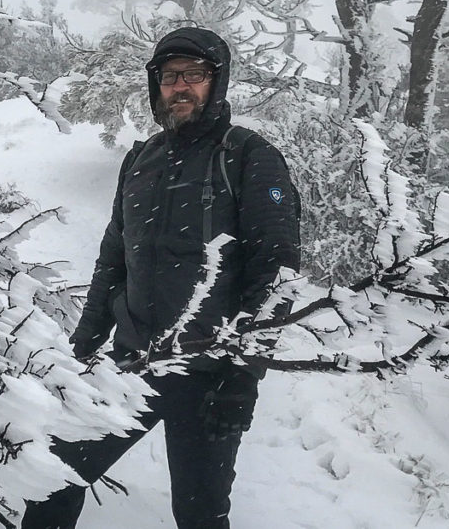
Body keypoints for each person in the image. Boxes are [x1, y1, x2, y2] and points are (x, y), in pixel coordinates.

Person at [22, 27, 301, 529]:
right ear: (156, 85)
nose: (181, 87)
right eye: (171, 76)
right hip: (130, 363)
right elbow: (113, 262)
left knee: (199, 514)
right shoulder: (140, 159)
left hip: (209, 371)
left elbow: (276, 271)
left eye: (195, 75)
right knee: (52, 481)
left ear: (217, 83)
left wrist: (244, 376)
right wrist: (81, 349)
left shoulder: (248, 156)